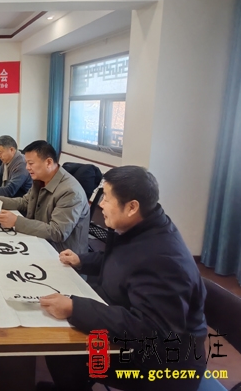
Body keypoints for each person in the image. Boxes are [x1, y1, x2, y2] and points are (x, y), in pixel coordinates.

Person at [37, 166, 207, 391]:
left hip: (161, 364)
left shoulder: (163, 260)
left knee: (63, 350)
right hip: (137, 331)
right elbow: (122, 260)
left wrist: (75, 308)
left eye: (107, 198)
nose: (100, 204)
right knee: (63, 340)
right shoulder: (145, 227)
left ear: (132, 207)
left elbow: (151, 330)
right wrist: (81, 260)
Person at [0, 140, 88, 253]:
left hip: (60, 252)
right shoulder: (40, 179)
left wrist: (16, 221)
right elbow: (25, 202)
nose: (27, 168)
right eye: (26, 163)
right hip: (40, 239)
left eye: (31, 163)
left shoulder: (70, 192)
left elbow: (57, 232)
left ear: (48, 162)